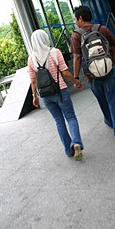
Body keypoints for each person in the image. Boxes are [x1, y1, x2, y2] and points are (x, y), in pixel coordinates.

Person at [70, 5, 115, 141]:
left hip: (91, 75)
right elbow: (113, 47)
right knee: (114, 99)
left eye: (75, 19)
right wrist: (112, 62)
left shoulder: (76, 35)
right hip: (109, 70)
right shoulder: (102, 29)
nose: (75, 21)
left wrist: (76, 77)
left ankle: (109, 121)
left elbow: (77, 57)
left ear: (80, 18)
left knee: (102, 99)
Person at [28, 29, 84, 161]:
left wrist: (34, 97)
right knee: (70, 117)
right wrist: (76, 81)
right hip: (60, 91)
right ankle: (76, 142)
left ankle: (68, 150)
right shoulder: (54, 52)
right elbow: (65, 73)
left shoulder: (31, 59)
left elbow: (33, 80)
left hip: (46, 95)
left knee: (59, 121)